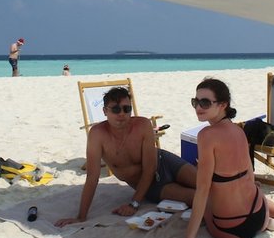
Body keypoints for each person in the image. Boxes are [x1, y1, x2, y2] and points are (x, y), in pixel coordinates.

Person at [180, 78, 274, 238]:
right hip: (259, 213)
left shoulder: (206, 136)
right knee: (250, 190)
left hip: (231, 229)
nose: (198, 107)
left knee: (207, 199)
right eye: (195, 102)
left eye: (205, 102)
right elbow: (250, 175)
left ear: (223, 105)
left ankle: (273, 223)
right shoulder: (239, 131)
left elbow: (202, 190)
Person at [55, 87, 197, 227]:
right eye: (116, 109)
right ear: (105, 111)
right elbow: (92, 177)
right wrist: (81, 217)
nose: (121, 114)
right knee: (198, 197)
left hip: (165, 162)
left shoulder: (143, 125)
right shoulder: (97, 135)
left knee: (205, 184)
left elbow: (150, 168)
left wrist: (134, 204)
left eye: (126, 109)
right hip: (151, 186)